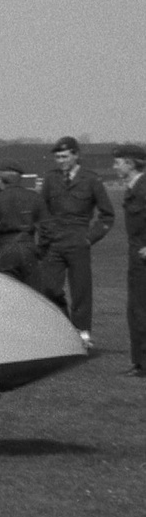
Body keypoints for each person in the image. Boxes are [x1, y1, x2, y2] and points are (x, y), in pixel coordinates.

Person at [38, 136, 114, 349]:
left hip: (79, 241)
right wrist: (47, 233)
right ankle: (60, 329)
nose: (60, 161)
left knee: (80, 290)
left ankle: (82, 334)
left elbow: (108, 215)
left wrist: (89, 238)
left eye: (64, 156)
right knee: (49, 288)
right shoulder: (51, 179)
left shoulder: (91, 180)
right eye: (57, 157)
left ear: (76, 155)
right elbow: (41, 208)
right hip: (54, 242)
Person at [113, 144, 146, 377]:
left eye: (118, 162)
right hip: (136, 256)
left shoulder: (143, 188)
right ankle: (140, 363)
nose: (114, 166)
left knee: (140, 309)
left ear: (131, 164)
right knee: (135, 309)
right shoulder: (133, 188)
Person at [0, 160, 44, 284]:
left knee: (6, 291)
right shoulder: (35, 197)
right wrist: (41, 250)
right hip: (28, 246)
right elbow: (46, 227)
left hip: (4, 247)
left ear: (2, 179)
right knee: (32, 293)